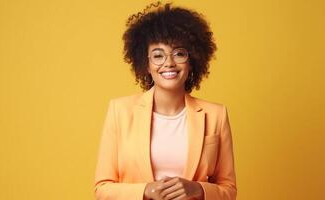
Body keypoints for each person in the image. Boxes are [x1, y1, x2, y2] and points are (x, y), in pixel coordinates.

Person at [94, 2, 237, 200]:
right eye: (158, 55)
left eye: (179, 53)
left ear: (192, 60)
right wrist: (145, 191)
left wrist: (198, 189)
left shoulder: (216, 115)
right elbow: (102, 189)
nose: (169, 63)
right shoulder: (120, 111)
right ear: (146, 64)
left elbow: (228, 190)